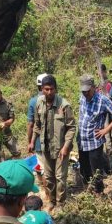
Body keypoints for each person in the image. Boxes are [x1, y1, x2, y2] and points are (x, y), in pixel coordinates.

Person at [30, 75, 76, 211]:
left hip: (61, 147)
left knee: (60, 177)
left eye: (51, 89)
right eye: (46, 89)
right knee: (49, 177)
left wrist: (66, 146)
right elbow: (37, 125)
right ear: (42, 89)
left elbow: (71, 127)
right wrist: (32, 141)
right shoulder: (39, 103)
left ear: (55, 89)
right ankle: (52, 200)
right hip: (46, 147)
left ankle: (61, 203)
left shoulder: (64, 105)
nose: (49, 92)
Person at [77, 74, 112, 194]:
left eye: (87, 91)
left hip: (94, 140)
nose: (85, 93)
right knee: (84, 168)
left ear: (94, 87)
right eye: (83, 91)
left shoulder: (102, 100)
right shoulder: (82, 97)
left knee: (96, 170)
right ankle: (88, 190)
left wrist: (106, 129)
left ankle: (99, 192)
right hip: (82, 139)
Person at [27, 73, 48, 160]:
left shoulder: (33, 101)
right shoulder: (56, 99)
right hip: (54, 143)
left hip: (39, 142)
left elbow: (30, 124)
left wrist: (30, 142)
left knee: (42, 168)